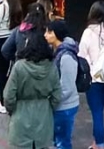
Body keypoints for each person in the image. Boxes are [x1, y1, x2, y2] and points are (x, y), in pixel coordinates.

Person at [3, 26, 61, 149]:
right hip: (43, 118)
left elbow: (9, 96)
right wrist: (48, 107)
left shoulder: (19, 67)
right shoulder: (51, 67)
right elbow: (57, 96)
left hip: (21, 118)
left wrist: (12, 110)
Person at [79, 1, 104, 149]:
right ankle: (96, 143)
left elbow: (81, 54)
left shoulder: (88, 32)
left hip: (94, 77)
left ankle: (99, 145)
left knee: (97, 112)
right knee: (99, 109)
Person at [45, 20, 80, 149]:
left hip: (64, 106)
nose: (45, 35)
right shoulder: (56, 52)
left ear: (57, 34)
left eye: (49, 32)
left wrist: (53, 99)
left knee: (62, 143)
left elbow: (67, 87)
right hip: (60, 105)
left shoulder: (66, 57)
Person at [0, 0, 23, 114]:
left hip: (0, 40)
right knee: (9, 71)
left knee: (1, 72)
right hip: (11, 39)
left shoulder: (2, 7)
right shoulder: (16, 5)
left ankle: (3, 102)